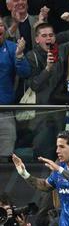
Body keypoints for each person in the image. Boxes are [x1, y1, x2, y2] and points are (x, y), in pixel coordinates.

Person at [0, 20, 28, 155]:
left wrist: (19, 55)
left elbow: (25, 73)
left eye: (1, 25)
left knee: (6, 152)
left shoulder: (11, 48)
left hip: (5, 111)